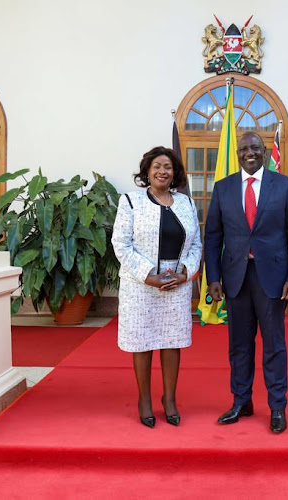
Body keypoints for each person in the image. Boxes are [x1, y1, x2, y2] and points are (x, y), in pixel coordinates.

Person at [204, 131, 288, 434]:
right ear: (237, 154)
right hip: (235, 277)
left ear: (264, 152)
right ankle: (241, 401)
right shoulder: (223, 188)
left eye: (255, 148)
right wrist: (213, 278)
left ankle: (277, 406)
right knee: (238, 345)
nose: (249, 153)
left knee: (274, 345)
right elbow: (213, 236)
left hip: (273, 278)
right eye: (243, 149)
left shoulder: (285, 186)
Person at [111, 146, 202, 428]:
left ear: (175, 174)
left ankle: (170, 398)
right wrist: (148, 275)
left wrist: (185, 272)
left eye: (168, 167)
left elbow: (196, 243)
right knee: (143, 341)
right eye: (157, 166)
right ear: (147, 171)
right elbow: (121, 244)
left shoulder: (186, 203)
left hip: (176, 283)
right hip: (141, 286)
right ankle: (144, 399)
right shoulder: (130, 201)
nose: (163, 171)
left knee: (172, 341)